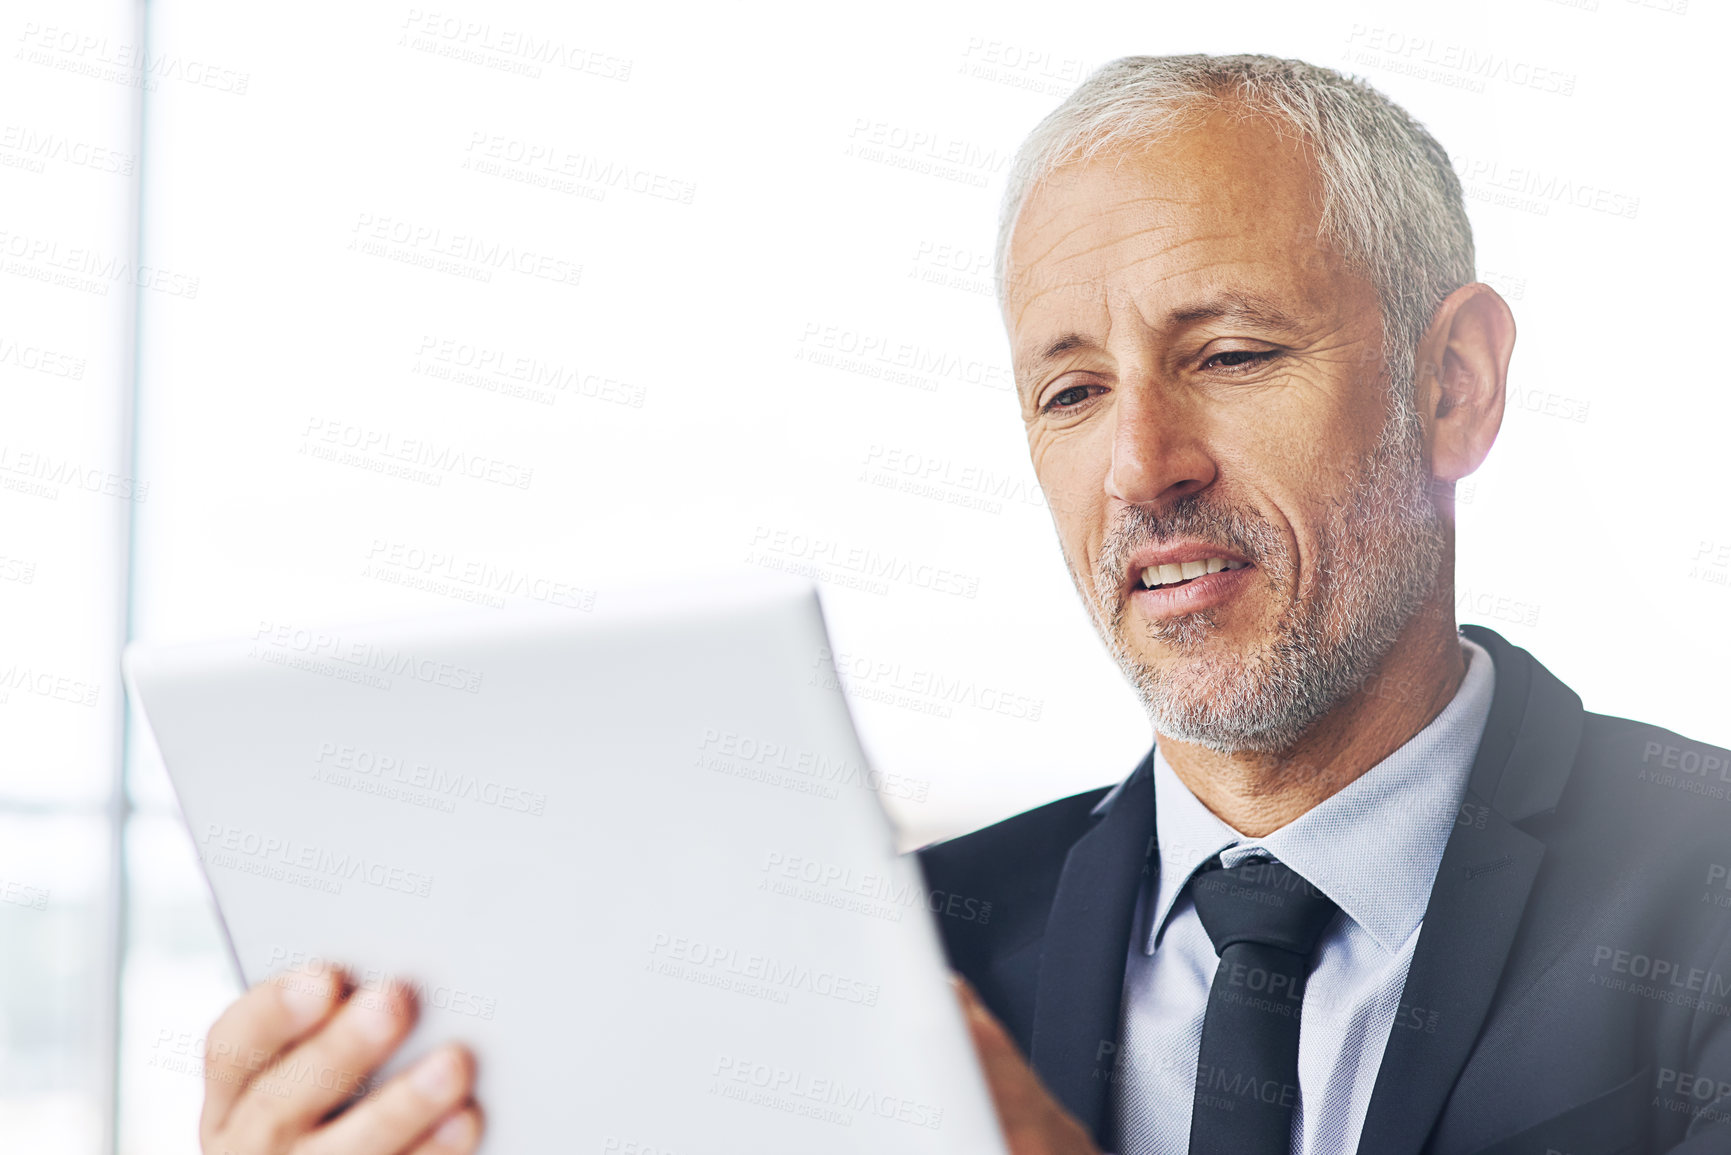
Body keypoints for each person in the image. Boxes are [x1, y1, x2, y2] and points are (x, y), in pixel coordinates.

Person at [191, 54, 1731, 1155]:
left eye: (1233, 356)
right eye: (1070, 390)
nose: (1142, 467)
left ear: (1454, 386)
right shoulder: (891, 956)